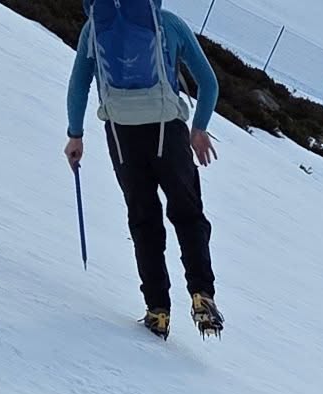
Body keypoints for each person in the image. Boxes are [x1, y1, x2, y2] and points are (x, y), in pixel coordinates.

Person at [64, 0, 224, 338]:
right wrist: (199, 129)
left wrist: (75, 135)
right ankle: (201, 294)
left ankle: (157, 311)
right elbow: (209, 83)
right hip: (168, 129)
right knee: (188, 214)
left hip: (121, 133)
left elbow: (79, 84)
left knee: (143, 219)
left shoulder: (94, 28)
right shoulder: (169, 24)